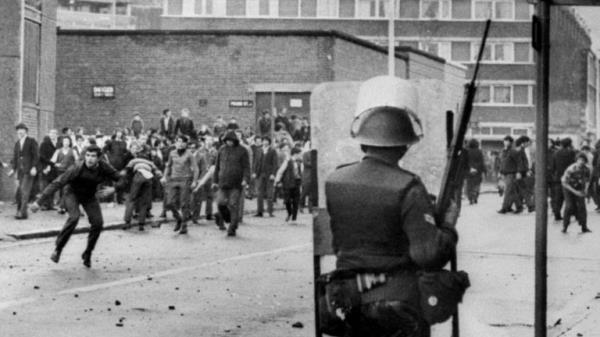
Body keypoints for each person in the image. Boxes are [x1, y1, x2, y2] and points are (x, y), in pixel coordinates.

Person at [321, 76, 463, 337]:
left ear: (362, 141)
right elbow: (428, 255)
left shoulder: (335, 180)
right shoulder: (408, 187)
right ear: (403, 147)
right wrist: (448, 226)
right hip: (395, 306)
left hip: (344, 299)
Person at [30, 145, 124, 268]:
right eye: (88, 155)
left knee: (98, 223)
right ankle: (58, 249)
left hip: (89, 196)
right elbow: (58, 182)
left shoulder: (104, 167)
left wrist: (114, 189)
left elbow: (122, 179)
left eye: (93, 156)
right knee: (74, 218)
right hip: (72, 193)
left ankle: (88, 252)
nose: (90, 159)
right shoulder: (77, 167)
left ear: (99, 158)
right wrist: (39, 201)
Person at [212, 130, 251, 236]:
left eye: (231, 140)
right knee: (220, 203)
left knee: (233, 204)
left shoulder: (242, 150)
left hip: (236, 183)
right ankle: (230, 219)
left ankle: (232, 227)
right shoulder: (222, 149)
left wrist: (245, 179)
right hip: (223, 182)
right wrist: (215, 181)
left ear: (235, 140)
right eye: (227, 140)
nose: (229, 142)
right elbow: (217, 167)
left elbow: (247, 167)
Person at [161, 135, 199, 234]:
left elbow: (195, 169)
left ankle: (184, 226)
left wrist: (195, 181)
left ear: (186, 144)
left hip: (185, 180)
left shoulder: (189, 154)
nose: (180, 144)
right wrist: (165, 176)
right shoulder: (172, 153)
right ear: (176, 143)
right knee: (169, 203)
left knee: (184, 203)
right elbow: (168, 166)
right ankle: (178, 218)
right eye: (178, 141)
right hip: (173, 180)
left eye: (182, 142)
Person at [123, 143, 162, 231]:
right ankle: (141, 224)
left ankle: (127, 222)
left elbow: (126, 170)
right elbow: (158, 172)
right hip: (148, 178)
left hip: (138, 176)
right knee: (144, 202)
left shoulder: (135, 160)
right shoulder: (150, 162)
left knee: (132, 199)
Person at [8, 123, 39, 220]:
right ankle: (22, 212)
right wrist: (13, 169)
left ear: (26, 130)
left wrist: (34, 167)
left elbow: (36, 155)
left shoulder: (31, 141)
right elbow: (15, 157)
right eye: (18, 130)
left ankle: (22, 212)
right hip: (20, 171)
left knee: (25, 191)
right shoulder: (17, 143)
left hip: (29, 170)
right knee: (21, 191)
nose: (20, 131)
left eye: (21, 129)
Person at [561, 152, 592, 233]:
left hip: (579, 186)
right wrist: (575, 192)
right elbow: (564, 182)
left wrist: (585, 190)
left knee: (582, 206)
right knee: (569, 206)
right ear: (576, 160)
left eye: (583, 160)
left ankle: (584, 226)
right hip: (568, 187)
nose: (581, 162)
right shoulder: (571, 169)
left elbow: (588, 180)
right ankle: (565, 226)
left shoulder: (587, 169)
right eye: (579, 160)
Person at [51, 136, 79, 214]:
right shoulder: (58, 151)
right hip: (60, 172)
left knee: (66, 189)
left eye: (67, 141)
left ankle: (62, 207)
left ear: (69, 142)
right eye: (64, 141)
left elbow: (77, 161)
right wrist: (57, 164)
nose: (66, 143)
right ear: (62, 142)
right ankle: (64, 206)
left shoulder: (73, 151)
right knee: (61, 189)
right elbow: (52, 161)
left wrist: (74, 168)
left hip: (69, 172)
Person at [274, 144, 302, 222]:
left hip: (297, 182)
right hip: (288, 183)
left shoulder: (300, 162)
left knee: (296, 200)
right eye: (299, 154)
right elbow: (280, 171)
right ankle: (290, 212)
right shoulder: (287, 161)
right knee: (287, 200)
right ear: (295, 154)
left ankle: (294, 218)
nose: (300, 155)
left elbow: (301, 172)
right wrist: (277, 181)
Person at [550, 138, 576, 221]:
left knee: (558, 197)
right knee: (569, 196)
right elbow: (573, 165)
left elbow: (553, 166)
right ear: (569, 144)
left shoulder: (556, 153)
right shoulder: (571, 153)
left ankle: (557, 213)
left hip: (558, 178)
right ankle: (572, 212)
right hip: (569, 177)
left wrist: (554, 174)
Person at [253, 136, 278, 217]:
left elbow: (275, 163)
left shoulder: (272, 151)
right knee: (259, 193)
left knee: (269, 193)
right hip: (260, 173)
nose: (265, 142)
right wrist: (254, 172)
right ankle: (259, 211)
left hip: (269, 174)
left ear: (269, 142)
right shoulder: (259, 150)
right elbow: (256, 162)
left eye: (266, 141)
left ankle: (270, 211)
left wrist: (273, 174)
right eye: (263, 141)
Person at [497, 136, 522, 214]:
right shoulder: (503, 151)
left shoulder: (513, 151)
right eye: (505, 141)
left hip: (511, 173)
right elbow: (502, 163)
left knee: (508, 191)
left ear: (511, 142)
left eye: (508, 141)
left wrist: (518, 172)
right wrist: (500, 172)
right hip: (505, 173)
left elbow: (519, 162)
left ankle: (504, 208)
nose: (506, 142)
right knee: (512, 191)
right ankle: (519, 206)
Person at [39, 129, 59, 210]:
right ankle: (44, 204)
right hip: (46, 167)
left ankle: (51, 204)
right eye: (51, 133)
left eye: (54, 133)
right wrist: (48, 164)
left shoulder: (58, 144)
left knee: (53, 186)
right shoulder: (44, 144)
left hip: (54, 168)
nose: (53, 135)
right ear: (49, 134)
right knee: (45, 186)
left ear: (56, 135)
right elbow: (41, 156)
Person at [464, 138, 486, 205]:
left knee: (469, 185)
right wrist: (483, 171)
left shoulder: (467, 151)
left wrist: (469, 168)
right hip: (478, 171)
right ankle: (475, 196)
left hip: (469, 171)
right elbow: (482, 162)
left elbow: (465, 162)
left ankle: (470, 198)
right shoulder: (479, 151)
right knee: (477, 185)